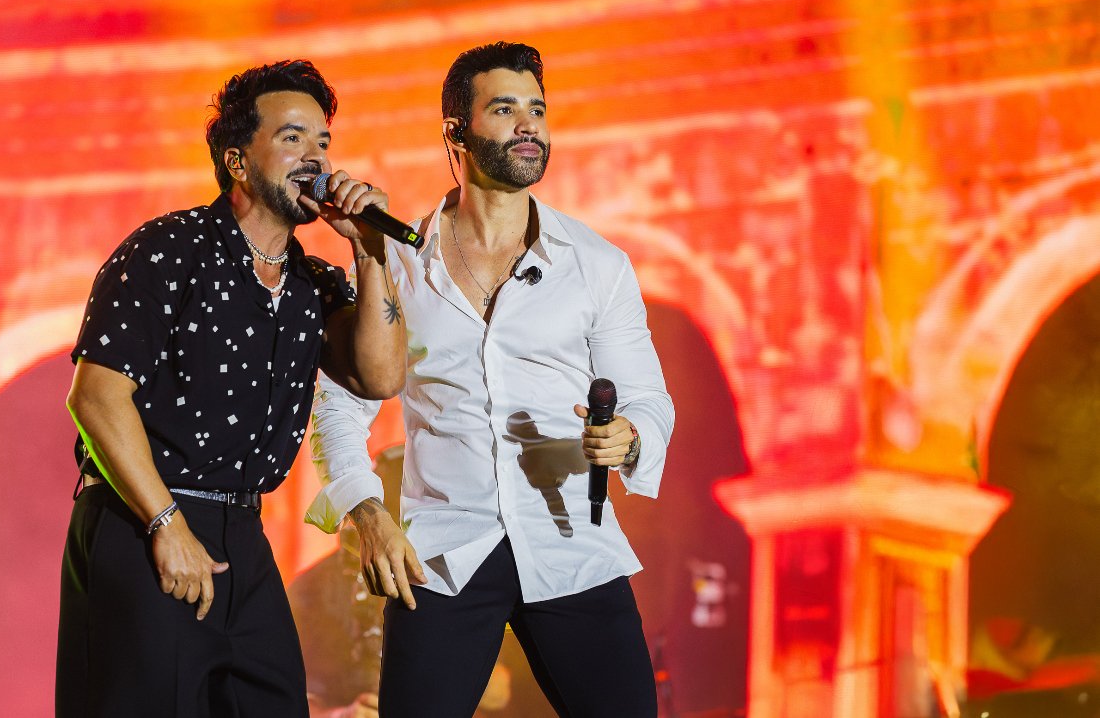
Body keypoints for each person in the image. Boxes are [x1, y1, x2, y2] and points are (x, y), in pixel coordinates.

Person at [305, 42, 675, 717]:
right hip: (443, 554)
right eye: (505, 109)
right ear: (456, 132)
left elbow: (648, 399)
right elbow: (337, 408)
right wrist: (368, 515)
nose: (529, 124)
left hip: (572, 545)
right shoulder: (399, 262)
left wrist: (631, 436)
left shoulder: (597, 265)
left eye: (537, 109)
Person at [56, 59, 405, 717]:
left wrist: (369, 251)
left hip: (242, 529)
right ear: (238, 162)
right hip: (146, 516)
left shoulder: (312, 283)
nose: (316, 157)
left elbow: (381, 375)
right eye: (293, 138)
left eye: (323, 141)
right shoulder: (167, 250)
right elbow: (96, 396)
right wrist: (165, 523)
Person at [291, 446, 547, 718]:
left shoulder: (487, 569)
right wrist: (338, 715)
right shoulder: (313, 588)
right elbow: (286, 694)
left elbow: (505, 692)